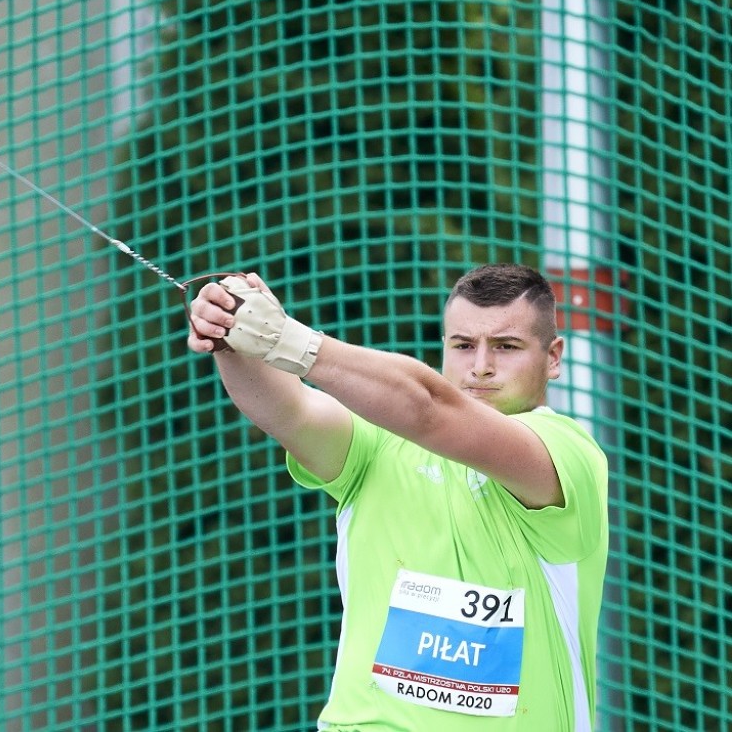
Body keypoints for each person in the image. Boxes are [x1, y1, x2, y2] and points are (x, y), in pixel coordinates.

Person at [187, 263, 608, 731]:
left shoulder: (565, 454)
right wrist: (231, 337)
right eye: (463, 345)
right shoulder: (379, 442)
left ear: (552, 357)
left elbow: (429, 409)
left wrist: (292, 341)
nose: (481, 365)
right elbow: (291, 409)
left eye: (506, 347)